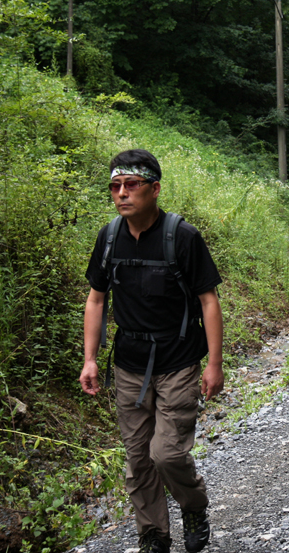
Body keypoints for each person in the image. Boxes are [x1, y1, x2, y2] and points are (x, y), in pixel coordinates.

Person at [79, 149, 223, 553]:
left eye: (132, 185)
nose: (121, 193)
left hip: (177, 360)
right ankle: (153, 534)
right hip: (128, 364)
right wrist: (90, 359)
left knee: (166, 454)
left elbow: (208, 301)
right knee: (138, 459)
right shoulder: (109, 237)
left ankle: (193, 507)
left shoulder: (183, 236)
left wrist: (214, 363)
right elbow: (95, 300)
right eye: (115, 186)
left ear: (155, 189)